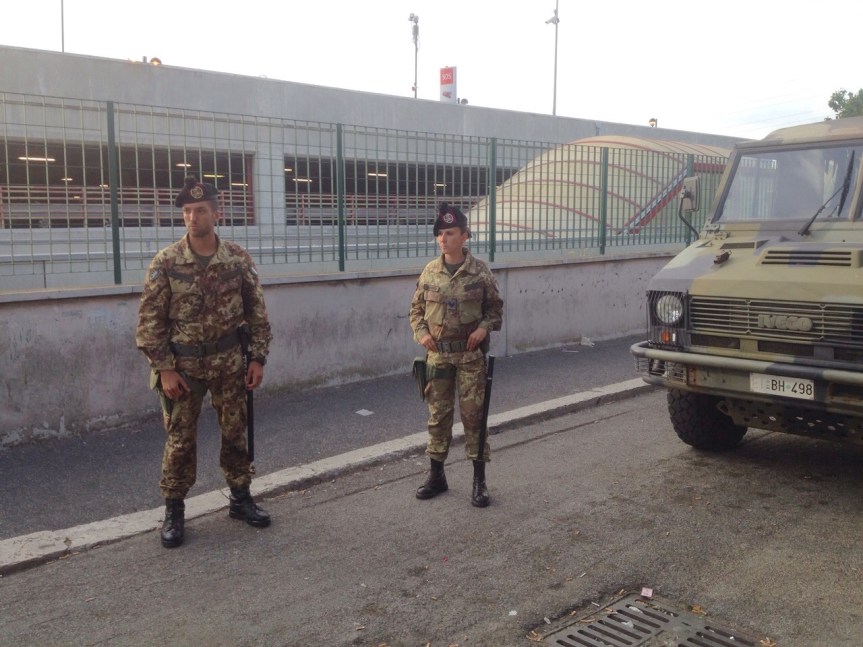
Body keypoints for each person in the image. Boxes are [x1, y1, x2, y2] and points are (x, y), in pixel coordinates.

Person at [136, 175, 273, 548]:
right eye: (187, 212)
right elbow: (150, 322)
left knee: (235, 432)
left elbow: (257, 313)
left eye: (200, 211)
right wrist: (164, 368)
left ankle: (241, 499)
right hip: (184, 369)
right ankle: (174, 510)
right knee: (180, 439)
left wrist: (257, 358)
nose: (192, 218)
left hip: (230, 362)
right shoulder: (166, 262)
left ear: (216, 213)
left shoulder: (237, 259)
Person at [409, 202, 504, 507]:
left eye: (450, 233)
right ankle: (437, 476)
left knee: (474, 419)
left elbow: (495, 309)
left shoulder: (479, 272)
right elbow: (416, 311)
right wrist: (421, 333)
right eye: (440, 234)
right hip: (438, 359)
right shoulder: (430, 272)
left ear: (464, 236)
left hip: (469, 358)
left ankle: (479, 481)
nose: (443, 239)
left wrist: (484, 328)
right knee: (438, 418)